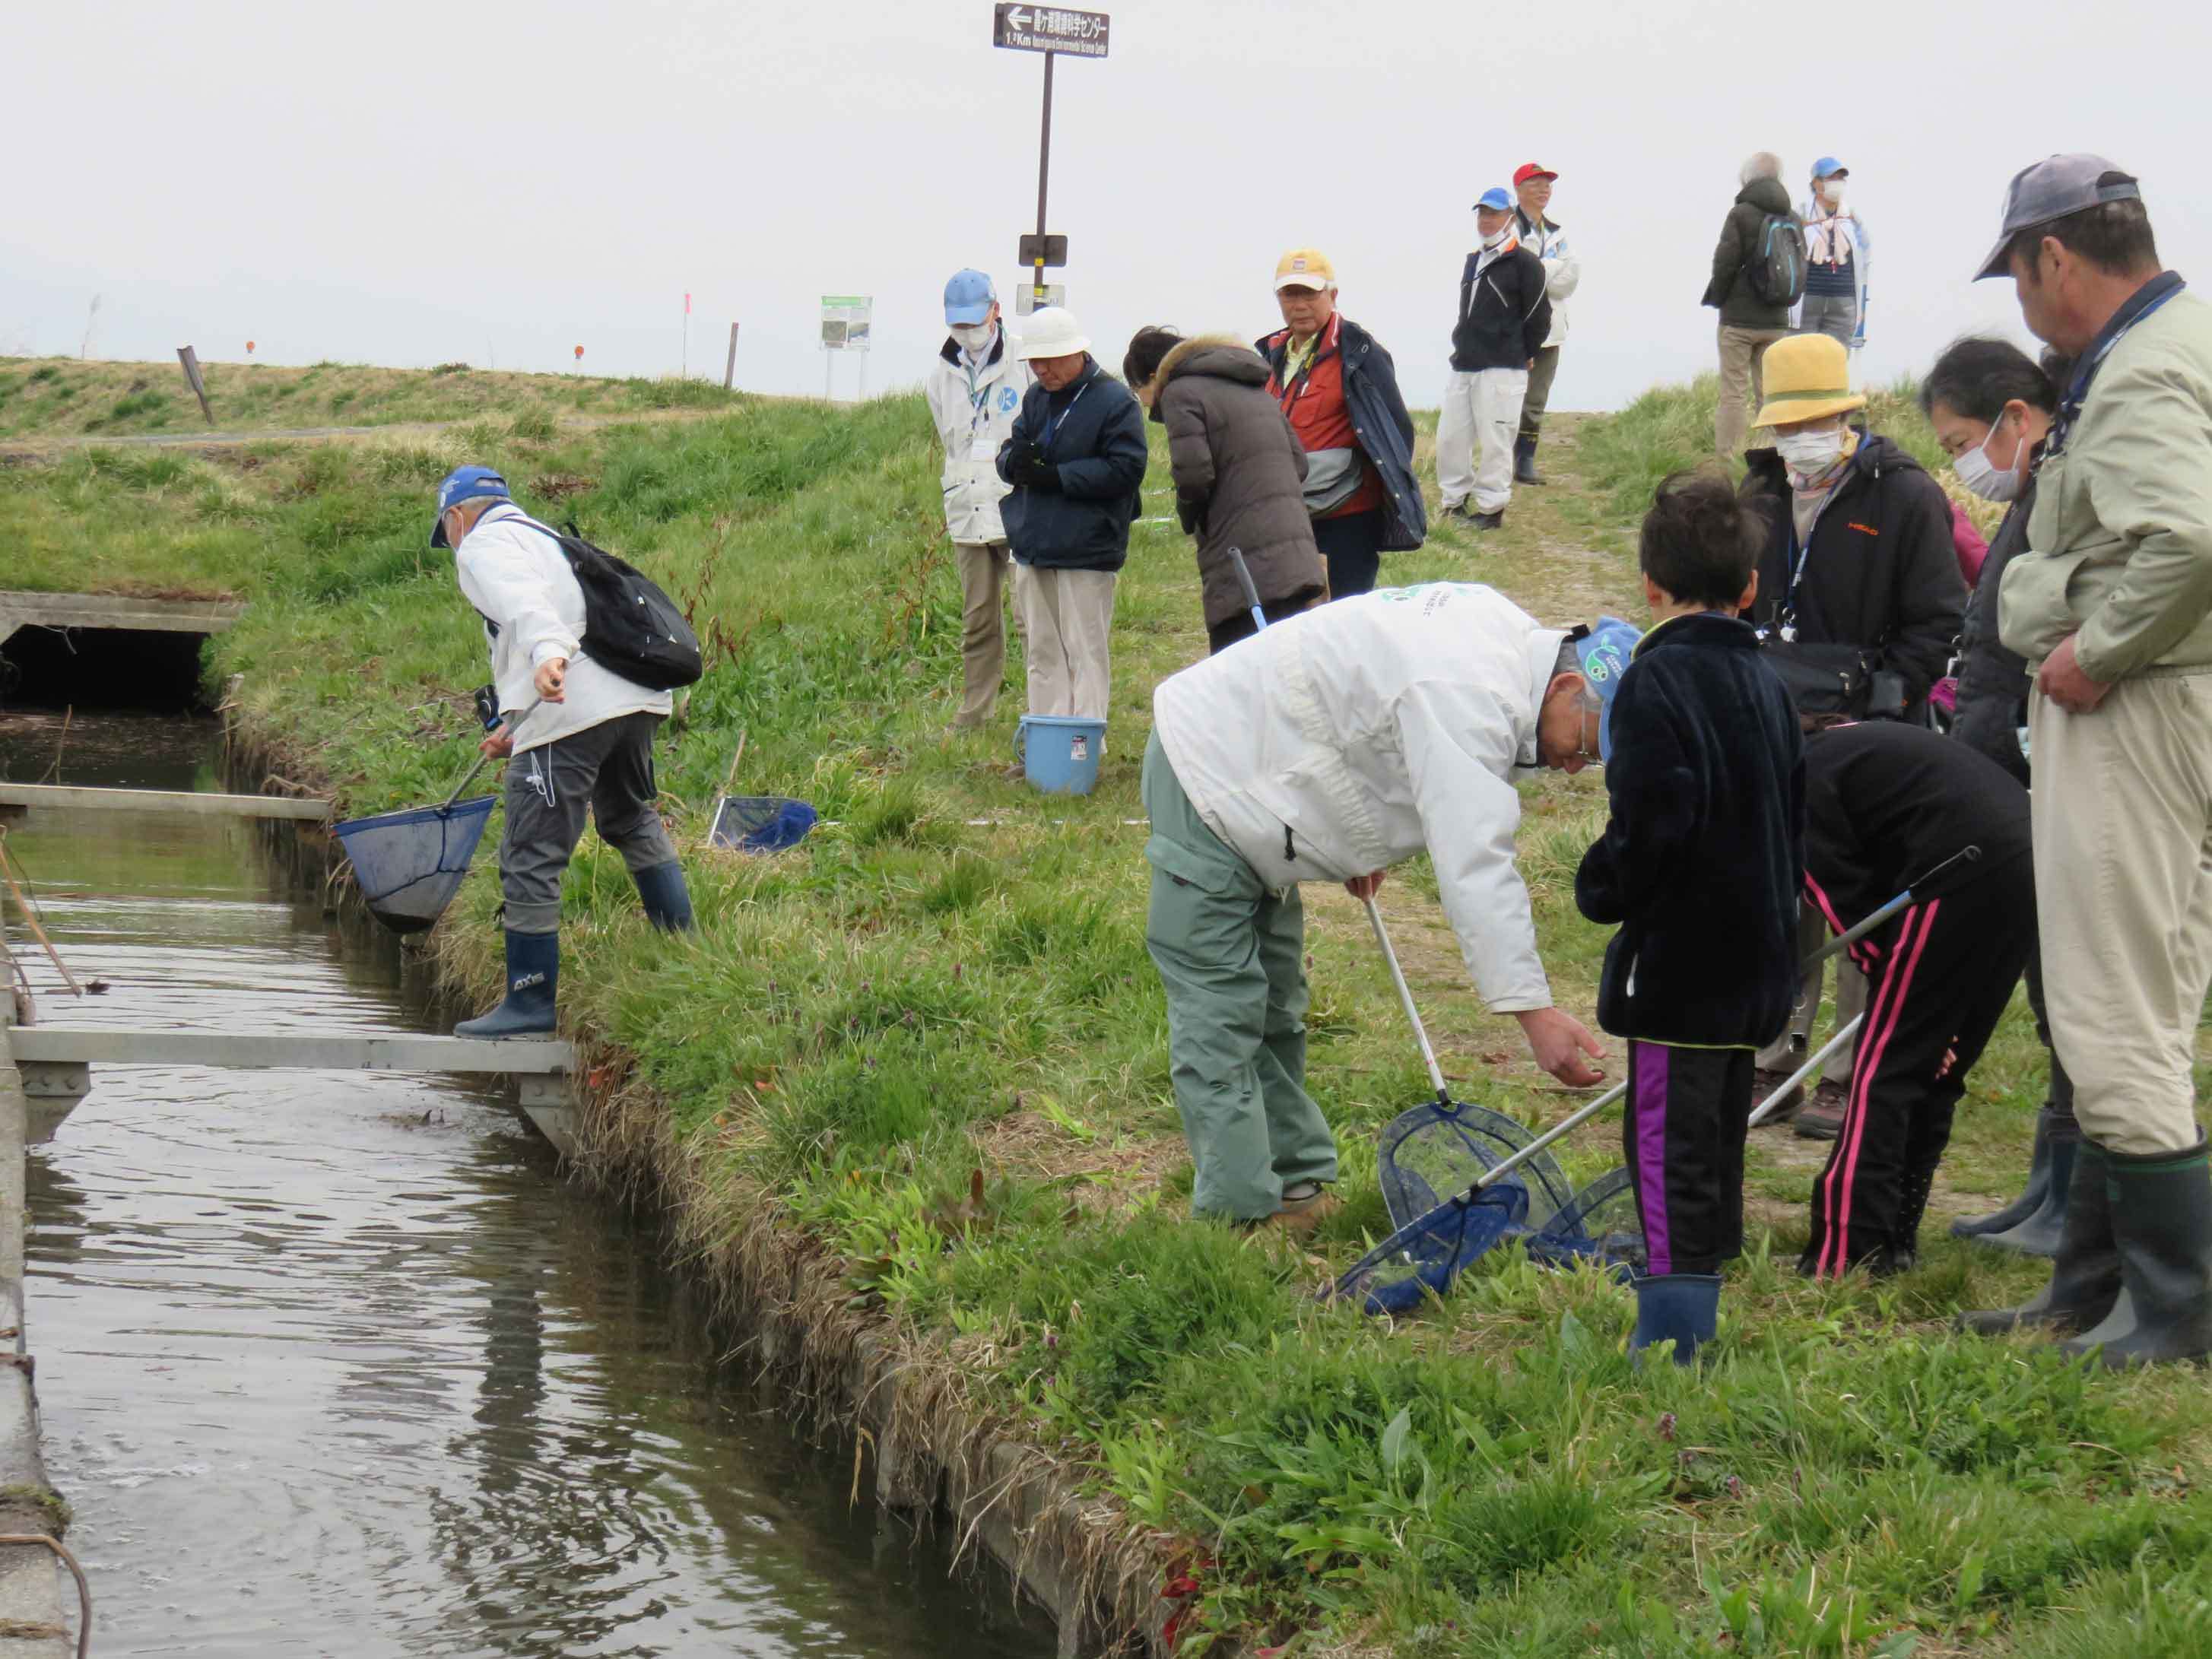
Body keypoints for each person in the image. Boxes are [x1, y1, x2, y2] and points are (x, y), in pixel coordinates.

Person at [1143, 583, 1613, 1230]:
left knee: (1277, 1002)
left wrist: (1357, 839)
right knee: (1221, 1010)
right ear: (1563, 687)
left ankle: (1296, 1186)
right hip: (1211, 769)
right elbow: (1474, 863)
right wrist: (1533, 1014)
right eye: (1587, 747)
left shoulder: (1503, 643)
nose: (1575, 769)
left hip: (1266, 774)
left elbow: (1369, 719)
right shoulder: (1473, 692)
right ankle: (1237, 1217)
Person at [1962, 156, 2212, 1366]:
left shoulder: (2141, 374)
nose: (2019, 298)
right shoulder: (2183, 340)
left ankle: (2169, 1309)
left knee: (2110, 1006)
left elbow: (2186, 534)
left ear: (2053, 256)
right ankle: (2099, 1283)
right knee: (2145, 995)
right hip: (2175, 693)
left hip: (2139, 703)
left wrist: (2093, 645)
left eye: (2016, 271)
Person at [1574, 475, 1802, 1363]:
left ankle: (1673, 1333)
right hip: (1759, 954)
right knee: (1715, 1131)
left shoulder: (1653, 680)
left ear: (1647, 584)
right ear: (1749, 588)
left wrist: (1602, 887)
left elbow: (1650, 822)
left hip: (1680, 962)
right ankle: (1710, 1264)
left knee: (1664, 1144)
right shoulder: (1769, 682)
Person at [1740, 332, 1966, 1135]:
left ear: (1848, 413)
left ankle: (1845, 1070)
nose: (1796, 439)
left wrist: (1876, 703)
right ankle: (1770, 1056)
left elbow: (1939, 618)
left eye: (1813, 421)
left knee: (1859, 903)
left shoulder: (1904, 496)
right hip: (1774, 724)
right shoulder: (1759, 492)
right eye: (1783, 426)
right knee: (1776, 893)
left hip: (1871, 731)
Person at [428, 465, 695, 1039]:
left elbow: (531, 612)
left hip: (571, 707)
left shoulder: (483, 545)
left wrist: (548, 657)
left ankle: (529, 1005)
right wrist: (510, 721)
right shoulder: (547, 538)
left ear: (455, 517)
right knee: (627, 817)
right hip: (637, 701)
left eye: (445, 531)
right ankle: (686, 951)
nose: (450, 543)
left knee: (531, 851)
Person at [1922, 337, 2078, 1252]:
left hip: (2033, 762)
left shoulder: (2055, 492)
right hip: (1997, 757)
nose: (1960, 466)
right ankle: (2047, 1185)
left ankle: (2073, 1200)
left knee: (2070, 987)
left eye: (1959, 441)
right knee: (2043, 976)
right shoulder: (2029, 495)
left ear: (2014, 420)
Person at [1793, 720, 2036, 1277]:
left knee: (1887, 1067)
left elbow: (1849, 914)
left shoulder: (1797, 778)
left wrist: (1905, 1010)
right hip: (2026, 853)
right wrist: (1931, 1025)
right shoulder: (1848, 749)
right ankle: (1897, 1240)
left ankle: (1848, 1254)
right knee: (1931, 1067)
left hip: (1960, 866)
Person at [1122, 326, 1326, 655]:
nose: (1145, 404)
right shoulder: (1254, 387)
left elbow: (1193, 473)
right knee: (1286, 669)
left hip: (1243, 563)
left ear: (1152, 377)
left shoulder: (1179, 392)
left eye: (1137, 391)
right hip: (1296, 558)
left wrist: (1190, 518)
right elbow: (1299, 464)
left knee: (1236, 671)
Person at [996, 306, 1148, 724]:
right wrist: (1014, 464)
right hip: (1034, 544)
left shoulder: (1116, 401)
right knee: (1042, 650)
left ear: (1077, 353)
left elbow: (1127, 469)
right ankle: (1047, 739)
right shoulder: (1035, 398)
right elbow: (1011, 450)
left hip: (1087, 548)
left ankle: (1083, 745)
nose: (1041, 369)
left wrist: (1058, 477)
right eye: (1035, 362)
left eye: (1049, 359)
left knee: (1085, 650)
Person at [1255, 249, 1427, 598]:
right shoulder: (1270, 353)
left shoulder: (1361, 353)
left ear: (1332, 296)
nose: (1299, 304)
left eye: (1310, 293)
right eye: (1290, 294)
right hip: (1288, 514)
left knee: (1341, 622)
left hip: (1347, 519)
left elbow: (1395, 433)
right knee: (1290, 621)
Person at [924, 269, 1032, 731]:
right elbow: (951, 443)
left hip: (1017, 508)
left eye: (974, 320)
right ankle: (975, 712)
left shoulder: (1025, 361)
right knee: (977, 620)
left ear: (995, 311)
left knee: (1031, 617)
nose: (967, 332)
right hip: (967, 512)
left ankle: (1043, 709)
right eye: (958, 324)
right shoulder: (941, 376)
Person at [1437, 188, 1552, 530]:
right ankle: (1452, 503)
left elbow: (1538, 317)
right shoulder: (1474, 259)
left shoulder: (1526, 264)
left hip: (1503, 365)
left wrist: (1525, 353)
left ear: (1510, 219)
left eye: (1494, 214)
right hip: (1465, 361)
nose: (1487, 220)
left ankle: (1490, 509)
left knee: (1495, 441)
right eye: (1482, 214)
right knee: (1450, 438)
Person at [1705, 151, 1802, 461]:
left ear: (1747, 178)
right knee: (1770, 394)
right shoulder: (1793, 217)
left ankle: (1728, 459)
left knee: (1733, 392)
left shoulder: (1741, 215)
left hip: (1738, 321)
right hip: (1776, 321)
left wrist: (1718, 298)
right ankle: (1772, 456)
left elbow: (1725, 263)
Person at [1511, 163, 1581, 487]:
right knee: (1509, 394)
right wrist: (1547, 270)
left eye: (1548, 185)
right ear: (1520, 188)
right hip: (1515, 325)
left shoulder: (1557, 231)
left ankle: (1526, 458)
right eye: (1537, 184)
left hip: (1552, 327)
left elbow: (1570, 279)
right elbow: (1516, 275)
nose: (1544, 190)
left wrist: (1539, 270)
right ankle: (1502, 457)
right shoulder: (1508, 226)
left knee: (1537, 396)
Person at [1796, 158, 1870, 361]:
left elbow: (1864, 257)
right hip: (1808, 298)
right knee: (1802, 357)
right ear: (1816, 183)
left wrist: (1861, 305)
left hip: (1843, 299)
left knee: (1835, 361)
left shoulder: (1852, 218)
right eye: (1831, 178)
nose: (1837, 182)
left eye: (1840, 178)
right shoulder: (1801, 214)